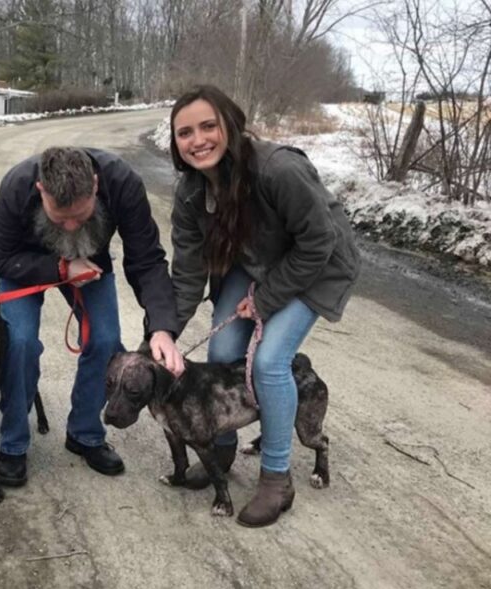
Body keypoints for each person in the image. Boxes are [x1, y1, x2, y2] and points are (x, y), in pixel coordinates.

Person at [168, 85, 360, 527]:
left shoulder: (279, 169)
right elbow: (188, 273)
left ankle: (276, 476)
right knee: (221, 352)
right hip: (256, 260)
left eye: (208, 126)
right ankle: (222, 450)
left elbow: (319, 241)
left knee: (270, 361)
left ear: (231, 125)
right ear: (175, 144)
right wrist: (162, 333)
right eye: (184, 133)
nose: (197, 140)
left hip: (318, 263)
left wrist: (267, 300)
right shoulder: (191, 192)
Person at [0, 146, 185, 487]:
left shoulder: (122, 182)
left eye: (82, 215)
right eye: (61, 218)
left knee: (105, 340)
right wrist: (59, 268)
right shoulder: (16, 186)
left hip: (91, 261)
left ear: (95, 185)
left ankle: (85, 433)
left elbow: (147, 259)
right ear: (41, 191)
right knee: (19, 343)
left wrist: (163, 327)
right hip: (22, 265)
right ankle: (13, 443)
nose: (72, 225)